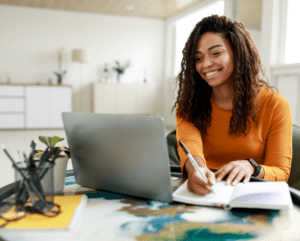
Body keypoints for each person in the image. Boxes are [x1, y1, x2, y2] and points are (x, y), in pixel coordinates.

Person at [173, 15, 292, 195]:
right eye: (198, 58)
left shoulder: (275, 104)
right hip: (203, 193)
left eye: (216, 53)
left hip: (250, 195)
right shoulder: (189, 104)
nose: (206, 64)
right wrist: (196, 170)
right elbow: (191, 144)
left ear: (238, 53)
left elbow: (281, 172)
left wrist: (252, 167)